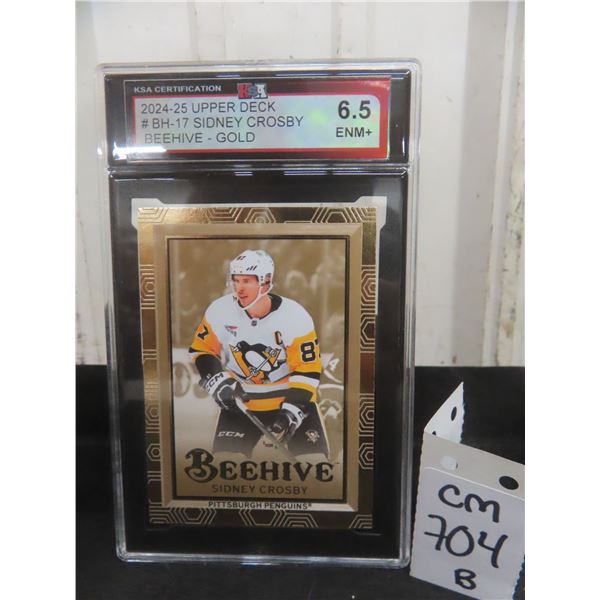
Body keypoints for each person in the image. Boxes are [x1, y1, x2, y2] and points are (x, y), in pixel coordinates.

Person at [189, 249, 329, 459]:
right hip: (240, 401)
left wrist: (290, 412)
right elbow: (202, 349)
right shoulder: (219, 311)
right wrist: (217, 380)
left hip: (289, 399)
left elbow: (307, 368)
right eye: (236, 280)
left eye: (247, 281)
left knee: (314, 465)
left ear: (266, 282)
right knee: (225, 465)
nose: (239, 288)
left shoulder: (295, 316)